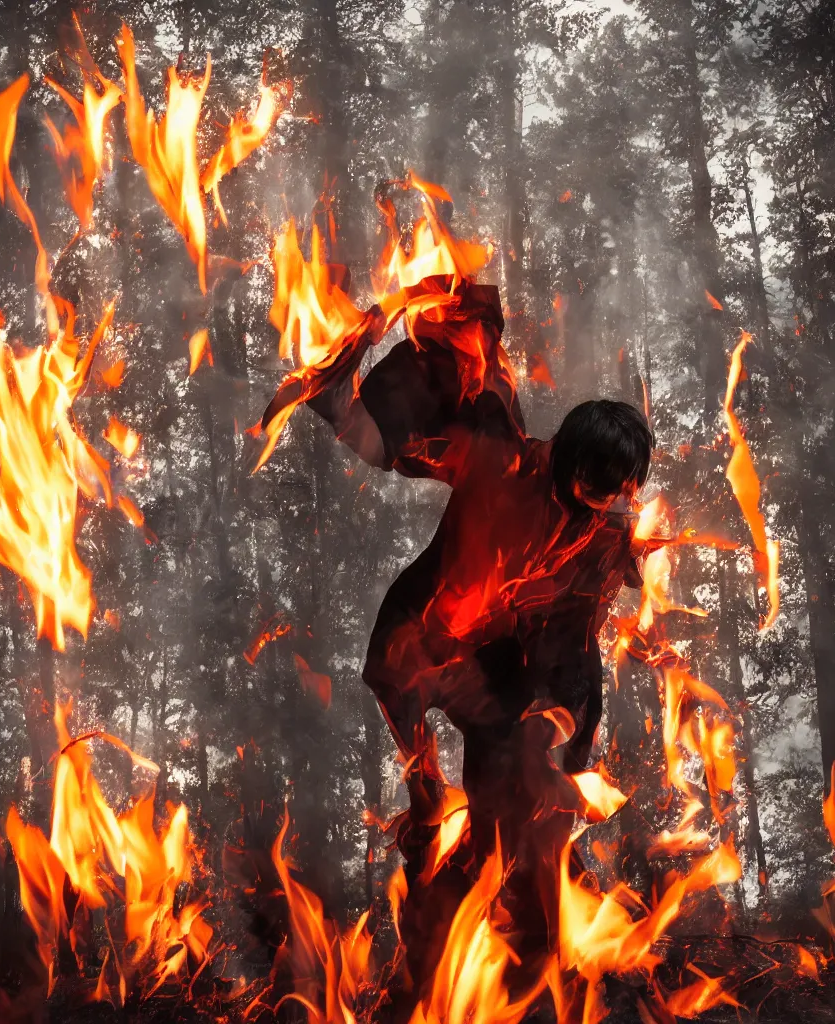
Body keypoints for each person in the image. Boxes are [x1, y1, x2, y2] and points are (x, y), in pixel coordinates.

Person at [263, 273, 652, 975]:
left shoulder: (603, 545)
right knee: (429, 794)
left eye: (622, 490)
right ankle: (429, 842)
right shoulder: (498, 456)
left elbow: (573, 650)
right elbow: (383, 447)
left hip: (502, 678)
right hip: (424, 641)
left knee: (510, 826)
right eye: (600, 482)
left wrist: (549, 735)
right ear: (566, 456)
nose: (608, 502)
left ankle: (490, 957)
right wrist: (331, 400)